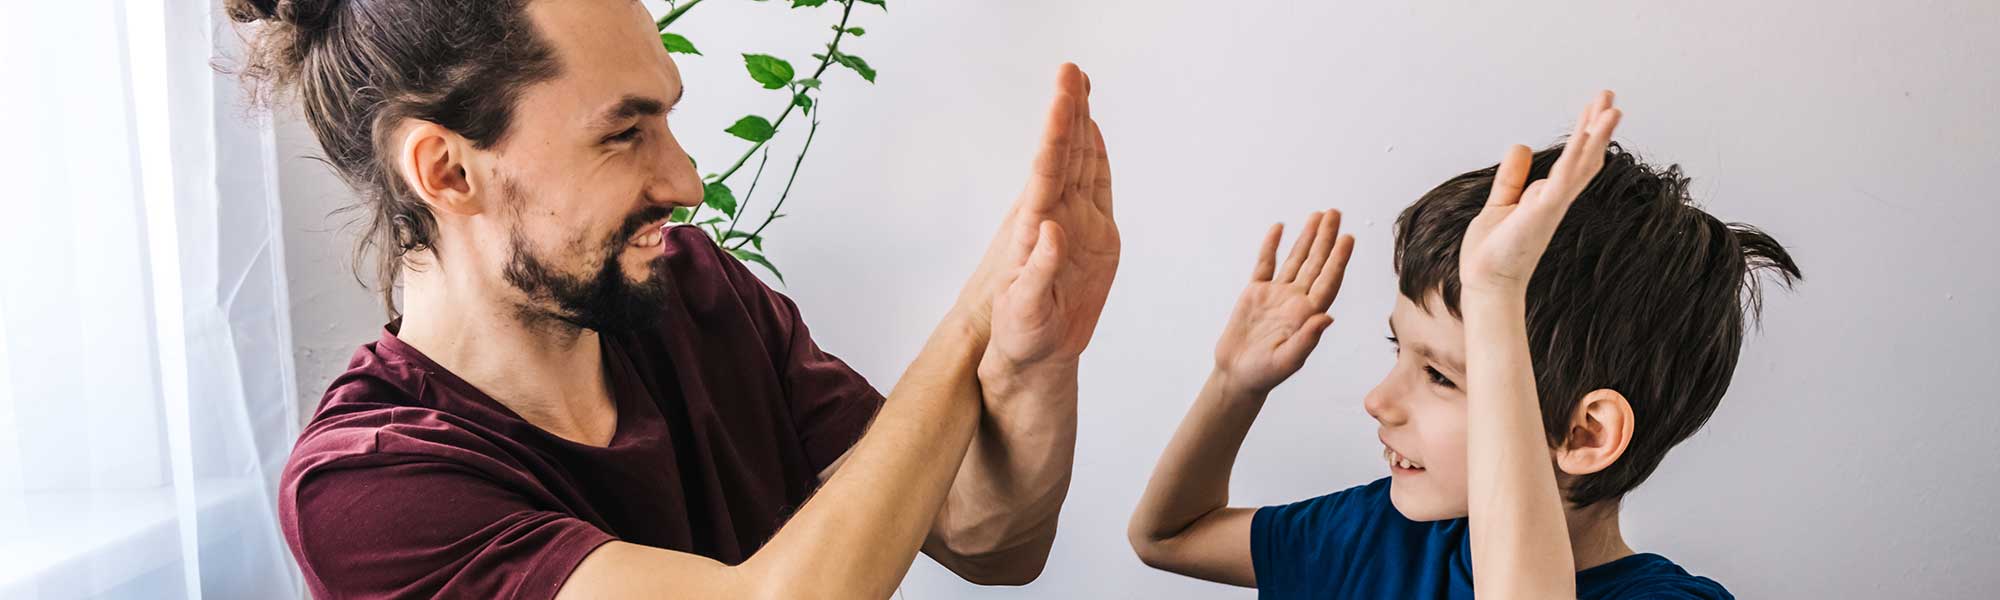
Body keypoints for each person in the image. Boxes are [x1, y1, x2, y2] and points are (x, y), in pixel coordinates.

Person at [227, 0, 1120, 597]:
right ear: (449, 170)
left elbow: (991, 538)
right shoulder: (368, 486)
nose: (688, 181)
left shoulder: (696, 294)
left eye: (669, 119)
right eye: (624, 134)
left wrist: (1030, 360)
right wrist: (968, 324)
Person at [1128, 92, 1799, 598]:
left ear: (1585, 433)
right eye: (1400, 352)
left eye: (1442, 377)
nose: (1379, 401)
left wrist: (1498, 296)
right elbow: (1166, 537)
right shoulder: (1375, 536)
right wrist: (1234, 384)